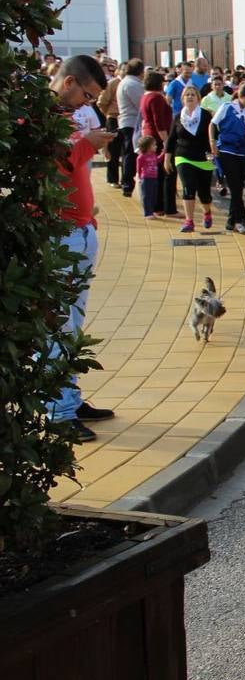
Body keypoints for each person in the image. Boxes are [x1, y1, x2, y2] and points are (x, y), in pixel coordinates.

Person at [46, 55, 116, 441]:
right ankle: (57, 410)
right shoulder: (39, 119)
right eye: (86, 96)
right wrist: (87, 145)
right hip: (60, 235)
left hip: (79, 229)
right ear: (69, 82)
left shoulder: (64, 118)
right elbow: (53, 165)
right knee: (58, 324)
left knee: (72, 321)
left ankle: (69, 398)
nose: (86, 104)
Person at [164, 84, 216, 233]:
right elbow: (172, 139)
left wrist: (213, 154)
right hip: (183, 157)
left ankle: (207, 211)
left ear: (198, 99)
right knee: (188, 187)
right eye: (187, 95)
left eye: (193, 94)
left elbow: (213, 136)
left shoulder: (206, 115)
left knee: (204, 193)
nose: (190, 97)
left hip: (203, 157)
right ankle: (189, 221)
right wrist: (167, 159)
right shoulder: (178, 117)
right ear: (182, 99)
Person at [208, 83, 245, 234]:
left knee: (238, 187)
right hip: (227, 150)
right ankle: (238, 220)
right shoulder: (227, 107)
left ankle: (231, 221)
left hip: (242, 152)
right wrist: (212, 143)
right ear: (241, 96)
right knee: (235, 186)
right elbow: (213, 124)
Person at [139, 70, 177, 217]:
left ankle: (158, 206)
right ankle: (168, 208)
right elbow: (159, 122)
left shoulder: (145, 96)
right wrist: (167, 141)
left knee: (157, 175)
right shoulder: (156, 98)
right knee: (167, 172)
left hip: (149, 136)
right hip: (159, 138)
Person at [115, 58, 145, 198]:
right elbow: (141, 105)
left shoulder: (125, 82)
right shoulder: (132, 84)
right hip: (132, 122)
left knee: (128, 154)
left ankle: (126, 182)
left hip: (127, 121)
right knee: (130, 155)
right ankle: (127, 184)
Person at [135, 135, 161, 219]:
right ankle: (148, 213)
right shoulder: (141, 157)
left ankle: (151, 211)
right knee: (147, 196)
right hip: (146, 178)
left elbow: (157, 160)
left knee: (154, 195)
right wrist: (139, 177)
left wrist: (164, 153)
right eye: (154, 145)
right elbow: (138, 168)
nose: (156, 146)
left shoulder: (153, 155)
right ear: (147, 146)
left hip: (154, 178)